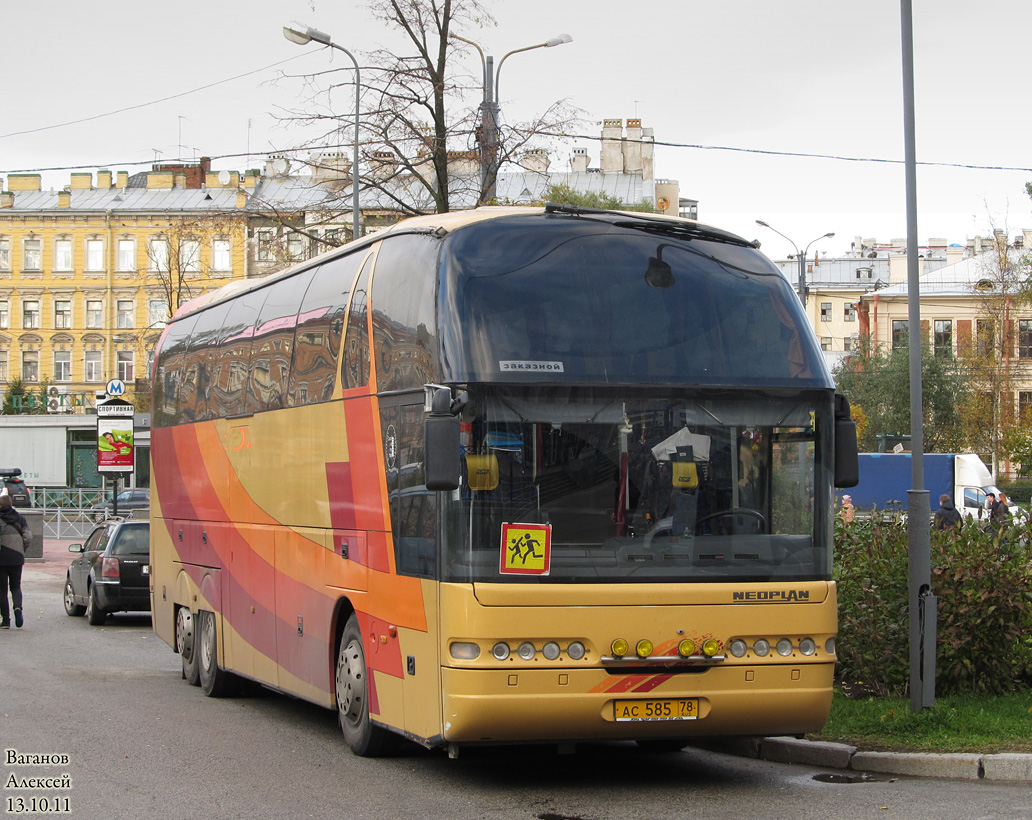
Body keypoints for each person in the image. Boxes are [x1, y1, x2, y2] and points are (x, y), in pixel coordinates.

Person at [0, 494, 31, 628]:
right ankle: (18, 608)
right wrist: (21, 550)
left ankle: (6, 621)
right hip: (17, 558)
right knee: (16, 587)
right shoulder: (20, 519)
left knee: (2, 591)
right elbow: (28, 536)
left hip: (1, 559)